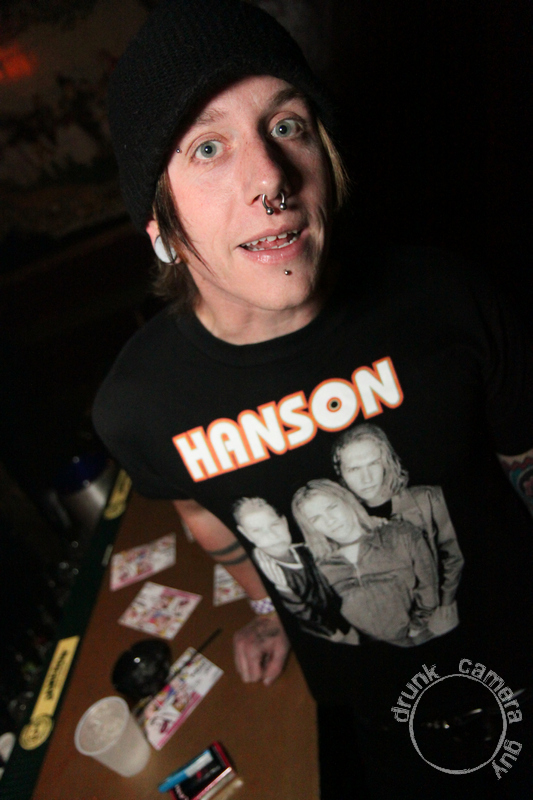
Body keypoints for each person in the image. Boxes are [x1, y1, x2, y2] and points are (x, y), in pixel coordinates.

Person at [93, 0, 533, 796]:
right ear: (158, 225)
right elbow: (201, 510)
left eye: (287, 125)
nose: (270, 178)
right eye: (207, 147)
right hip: (376, 716)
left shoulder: (446, 297)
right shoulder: (138, 406)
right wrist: (267, 610)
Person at [332, 422, 464, 635]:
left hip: (439, 612)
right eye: (354, 469)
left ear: (386, 462)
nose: (366, 478)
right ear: (341, 473)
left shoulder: (428, 498)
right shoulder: (340, 521)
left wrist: (446, 603)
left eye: (373, 464)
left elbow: (453, 556)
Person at [291, 479, 439, 645]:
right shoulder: (317, 564)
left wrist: (418, 625)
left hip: (413, 638)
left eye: (332, 507)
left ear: (348, 501)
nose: (330, 520)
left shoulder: (400, 535)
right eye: (315, 519)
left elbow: (429, 585)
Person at [233, 496, 356, 641]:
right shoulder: (261, 572)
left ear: (284, 522)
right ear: (245, 534)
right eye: (257, 531)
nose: (272, 535)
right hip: (325, 635)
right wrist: (334, 633)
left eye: (274, 524)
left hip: (347, 617)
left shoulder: (304, 551)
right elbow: (298, 613)